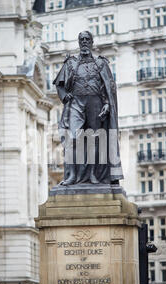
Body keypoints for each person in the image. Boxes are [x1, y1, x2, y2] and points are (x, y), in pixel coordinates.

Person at [53, 30, 123, 185]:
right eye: (81, 39)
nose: (84, 41)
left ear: (92, 42)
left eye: (87, 39)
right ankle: (71, 175)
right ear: (79, 42)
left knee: (93, 139)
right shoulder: (70, 63)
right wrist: (65, 96)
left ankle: (93, 174)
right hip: (76, 102)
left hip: (96, 103)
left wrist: (106, 104)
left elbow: (108, 88)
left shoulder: (100, 63)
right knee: (72, 137)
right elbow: (60, 84)